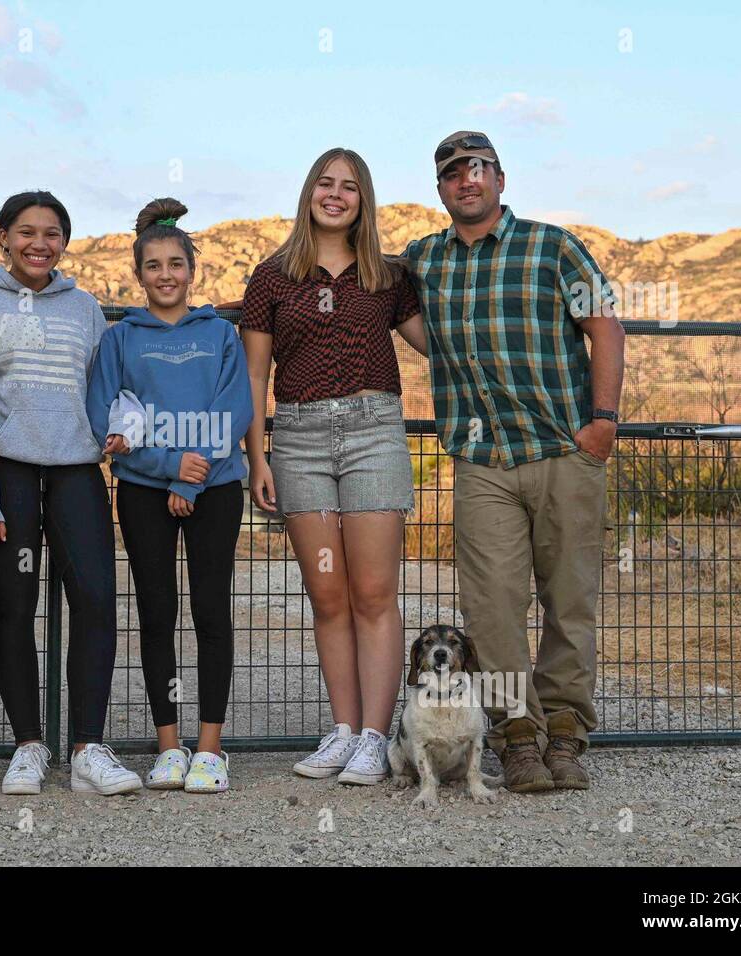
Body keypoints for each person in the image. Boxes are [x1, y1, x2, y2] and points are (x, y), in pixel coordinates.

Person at [399, 131, 626, 792]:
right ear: (440, 190)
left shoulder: (553, 247)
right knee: (492, 611)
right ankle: (517, 737)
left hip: (565, 451)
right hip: (484, 462)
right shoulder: (423, 261)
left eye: (477, 169)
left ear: (500, 178)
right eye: (451, 175)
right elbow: (369, 291)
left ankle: (566, 736)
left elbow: (605, 327)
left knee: (569, 602)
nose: (465, 181)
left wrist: (604, 422)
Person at [240, 148, 428, 785]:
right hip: (297, 439)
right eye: (326, 182)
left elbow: (442, 342)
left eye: (350, 187)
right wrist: (257, 456)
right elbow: (254, 375)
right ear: (308, 192)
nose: (336, 194)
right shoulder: (271, 278)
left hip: (374, 432)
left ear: (363, 200)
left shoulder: (388, 276)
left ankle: (377, 737)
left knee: (374, 593)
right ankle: (344, 731)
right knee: (327, 595)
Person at [0, 190, 142, 796]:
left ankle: (88, 746)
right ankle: (28, 745)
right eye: (26, 231)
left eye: (52, 232)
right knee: (15, 606)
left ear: (65, 240)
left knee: (96, 601)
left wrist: (124, 427)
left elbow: (110, 388)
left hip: (76, 473)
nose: (39, 243)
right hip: (8, 473)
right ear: (3, 236)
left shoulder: (84, 308)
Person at [86, 198, 253, 793]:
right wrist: (165, 467)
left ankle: (209, 747)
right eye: (153, 265)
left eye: (175, 264)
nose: (165, 275)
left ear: (192, 270)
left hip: (215, 487)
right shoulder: (120, 339)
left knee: (211, 610)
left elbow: (235, 409)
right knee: (157, 612)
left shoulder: (220, 336)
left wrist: (191, 479)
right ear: (139, 274)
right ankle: (168, 745)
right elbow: (104, 421)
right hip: (140, 492)